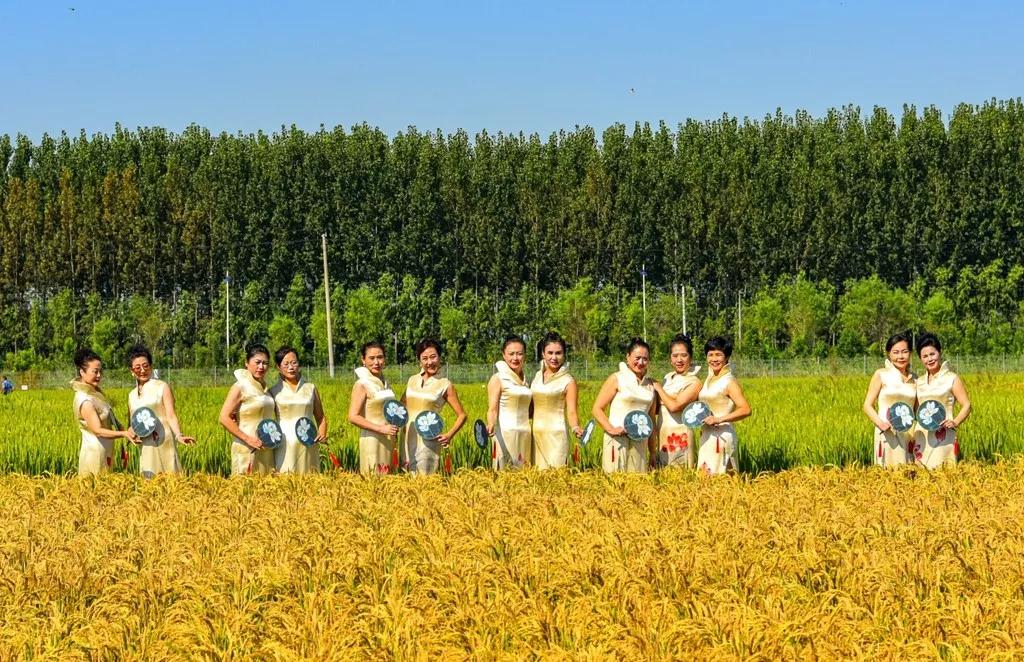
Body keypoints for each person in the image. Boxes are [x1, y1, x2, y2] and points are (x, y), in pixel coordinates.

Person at [400, 338, 467, 475]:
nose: (429, 362)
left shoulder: (445, 384)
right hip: (407, 437)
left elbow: (462, 415)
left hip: (428, 440)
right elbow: (402, 405)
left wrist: (449, 435)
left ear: (439, 357)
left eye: (433, 357)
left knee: (426, 481)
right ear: (419, 361)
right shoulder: (412, 380)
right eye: (424, 358)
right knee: (406, 480)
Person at [127, 345, 195, 477]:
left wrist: (178, 435)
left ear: (151, 366)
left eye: (145, 366)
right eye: (137, 367)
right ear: (132, 371)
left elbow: (171, 415)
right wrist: (131, 434)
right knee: (149, 483)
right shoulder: (131, 395)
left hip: (165, 440)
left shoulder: (162, 387)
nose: (142, 370)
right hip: (146, 445)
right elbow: (133, 423)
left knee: (171, 480)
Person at [591, 338, 657, 473]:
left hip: (640, 442)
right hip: (617, 440)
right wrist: (611, 429)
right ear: (628, 357)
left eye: (645, 359)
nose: (641, 362)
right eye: (637, 358)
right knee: (614, 480)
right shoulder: (616, 378)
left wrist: (653, 452)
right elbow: (597, 409)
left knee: (637, 482)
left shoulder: (651, 386)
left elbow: (651, 422)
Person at [71, 348, 137, 476]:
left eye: (100, 371)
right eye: (95, 371)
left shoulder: (95, 393)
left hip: (105, 450)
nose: (99, 375)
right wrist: (123, 433)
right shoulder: (85, 400)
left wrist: (127, 430)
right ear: (82, 372)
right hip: (95, 452)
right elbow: (98, 430)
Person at [913, 333, 972, 468]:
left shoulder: (952, 378)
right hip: (922, 436)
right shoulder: (919, 381)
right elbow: (916, 409)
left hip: (944, 436)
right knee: (921, 476)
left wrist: (955, 421)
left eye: (932, 354)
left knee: (944, 474)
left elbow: (967, 405)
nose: (929, 359)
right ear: (920, 359)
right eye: (925, 356)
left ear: (939, 352)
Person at [695, 336, 751, 474]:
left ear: (726, 357)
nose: (714, 359)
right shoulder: (708, 379)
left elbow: (746, 409)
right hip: (706, 435)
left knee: (721, 480)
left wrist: (719, 419)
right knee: (705, 479)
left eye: (718, 354)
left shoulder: (729, 381)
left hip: (722, 436)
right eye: (710, 355)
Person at [218, 344, 277, 476]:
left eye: (265, 363)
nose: (261, 367)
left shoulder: (267, 390)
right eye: (257, 362)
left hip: (266, 448)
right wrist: (248, 439)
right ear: (247, 363)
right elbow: (223, 417)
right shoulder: (240, 386)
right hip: (247, 447)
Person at [269, 346, 327, 474]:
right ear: (278, 367)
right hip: (284, 443)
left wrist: (322, 433)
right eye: (286, 364)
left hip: (308, 441)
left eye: (294, 362)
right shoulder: (273, 391)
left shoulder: (310, 388)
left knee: (310, 479)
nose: (291, 367)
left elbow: (321, 417)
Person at [862, 331, 917, 467]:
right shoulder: (881, 374)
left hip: (908, 434)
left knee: (908, 472)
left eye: (904, 352)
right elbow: (867, 405)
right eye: (895, 352)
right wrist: (881, 424)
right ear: (889, 354)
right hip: (886, 432)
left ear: (910, 353)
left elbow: (917, 409)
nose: (900, 356)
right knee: (886, 473)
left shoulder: (915, 379)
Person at [530, 331, 582, 469]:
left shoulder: (568, 381)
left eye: (558, 353)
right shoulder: (536, 376)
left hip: (556, 436)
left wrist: (575, 427)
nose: (554, 357)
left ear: (564, 355)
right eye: (550, 353)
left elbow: (571, 411)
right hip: (535, 435)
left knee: (556, 479)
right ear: (543, 354)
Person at [347, 340, 399, 475]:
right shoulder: (362, 384)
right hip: (372, 439)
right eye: (371, 358)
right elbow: (353, 417)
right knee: (374, 480)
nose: (376, 362)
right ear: (363, 360)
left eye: (380, 357)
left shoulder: (385, 382)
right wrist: (380, 429)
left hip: (389, 438)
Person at [651, 333, 703, 468]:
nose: (679, 360)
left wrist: (658, 389)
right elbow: (658, 408)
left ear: (690, 357)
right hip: (663, 432)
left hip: (680, 435)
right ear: (670, 358)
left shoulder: (694, 381)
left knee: (681, 476)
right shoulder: (668, 378)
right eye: (675, 356)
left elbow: (675, 406)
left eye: (683, 355)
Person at [486, 335, 533, 469]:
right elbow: (492, 408)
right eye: (511, 354)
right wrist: (491, 424)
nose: (515, 358)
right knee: (504, 475)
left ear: (524, 356)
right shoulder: (498, 378)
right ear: (504, 355)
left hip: (525, 434)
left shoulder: (526, 380)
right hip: (505, 434)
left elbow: (529, 410)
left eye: (519, 354)